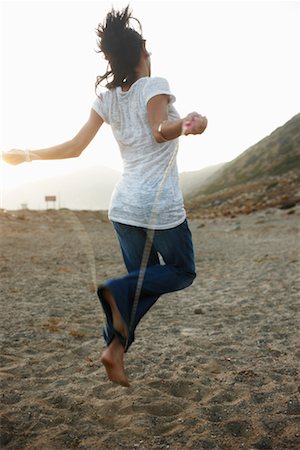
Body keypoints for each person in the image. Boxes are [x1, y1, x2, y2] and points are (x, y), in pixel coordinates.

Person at [3, 5, 207, 387]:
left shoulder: (108, 98)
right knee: (180, 271)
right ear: (142, 53)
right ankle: (114, 292)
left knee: (138, 287)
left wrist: (28, 154)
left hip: (123, 209)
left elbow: (76, 146)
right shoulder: (154, 85)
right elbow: (160, 129)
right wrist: (189, 124)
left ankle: (113, 351)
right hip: (158, 207)